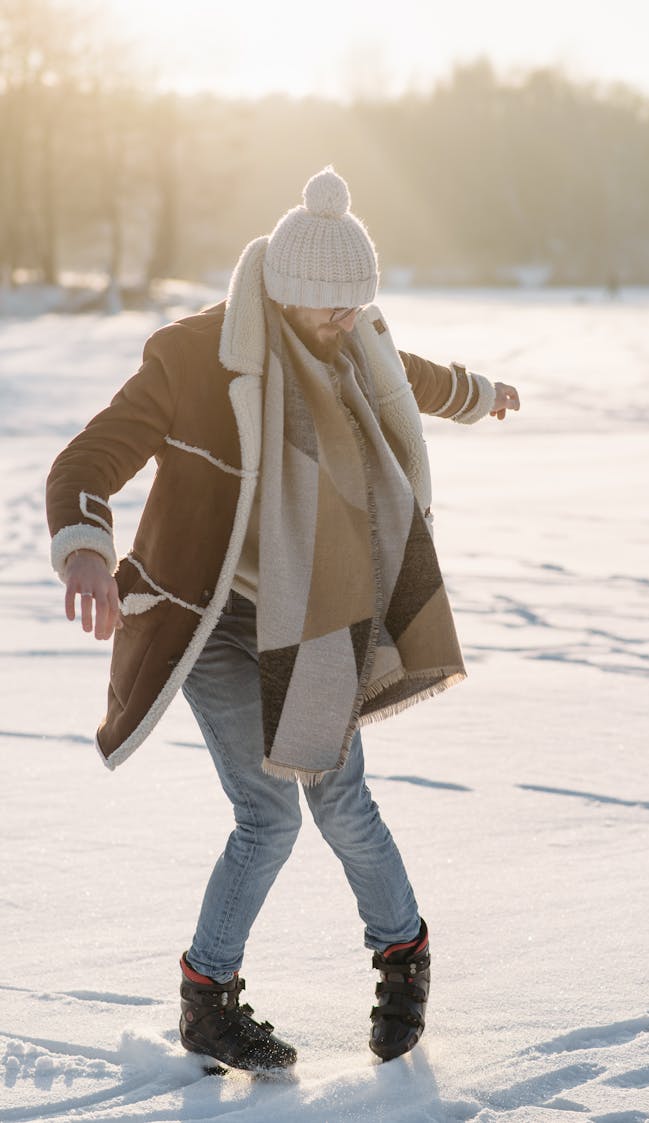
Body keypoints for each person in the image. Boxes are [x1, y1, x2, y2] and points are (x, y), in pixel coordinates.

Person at [46, 167, 520, 1072]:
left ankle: (403, 953)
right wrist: (83, 547)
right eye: (332, 310)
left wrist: (479, 391)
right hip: (214, 618)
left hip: (317, 608)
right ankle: (207, 1000)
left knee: (339, 795)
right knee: (266, 815)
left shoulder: (354, 343)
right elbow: (87, 458)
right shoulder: (194, 357)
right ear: (289, 294)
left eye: (358, 307)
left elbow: (410, 375)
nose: (349, 322)